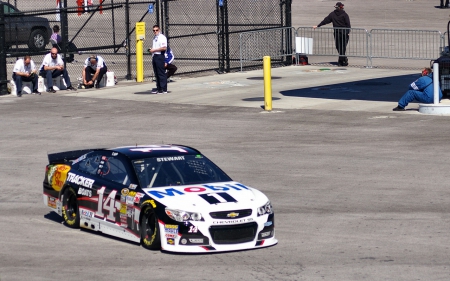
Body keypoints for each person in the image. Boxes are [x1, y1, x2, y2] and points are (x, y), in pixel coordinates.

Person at [313, 2, 351, 66]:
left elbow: (348, 24)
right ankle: (343, 59)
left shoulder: (339, 14)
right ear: (340, 7)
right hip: (341, 33)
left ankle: (341, 61)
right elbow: (348, 24)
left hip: (341, 33)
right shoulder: (338, 14)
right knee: (340, 47)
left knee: (340, 47)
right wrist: (318, 25)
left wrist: (318, 25)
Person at [149, 25, 168, 94]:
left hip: (160, 56)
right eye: (154, 30)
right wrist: (152, 50)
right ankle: (159, 88)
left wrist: (154, 50)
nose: (155, 31)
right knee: (156, 73)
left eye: (156, 30)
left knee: (161, 73)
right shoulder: (154, 38)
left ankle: (164, 89)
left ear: (159, 30)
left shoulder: (162, 37)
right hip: (155, 56)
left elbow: (164, 48)